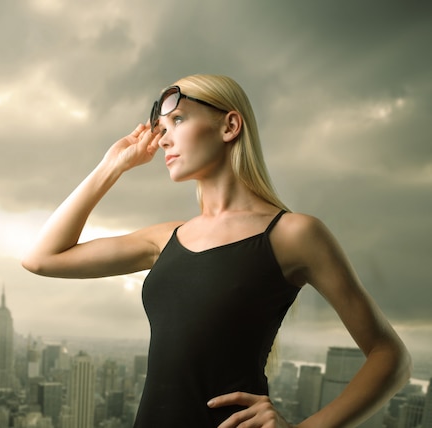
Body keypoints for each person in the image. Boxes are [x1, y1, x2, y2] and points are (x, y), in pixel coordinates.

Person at [21, 74, 411, 427]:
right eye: (159, 128)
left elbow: (390, 357)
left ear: (229, 126)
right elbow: (42, 258)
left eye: (178, 121)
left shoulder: (294, 234)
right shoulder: (166, 238)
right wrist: (112, 165)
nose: (164, 140)